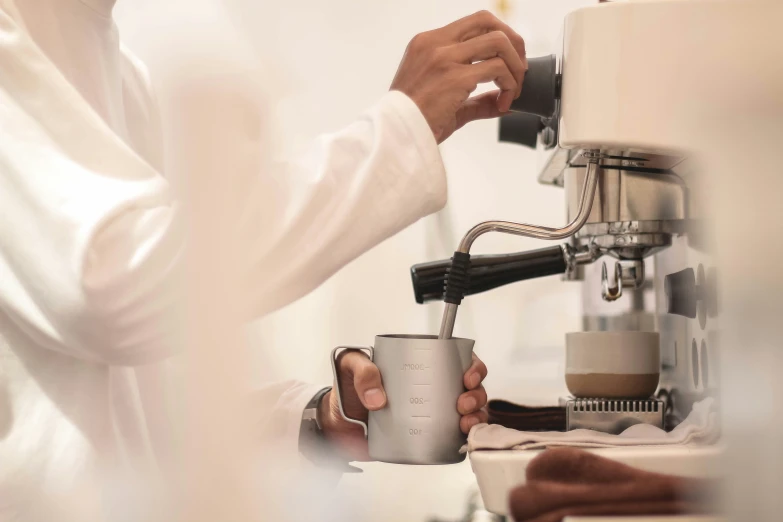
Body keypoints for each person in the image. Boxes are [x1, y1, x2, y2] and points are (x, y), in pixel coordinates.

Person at [0, 0, 527, 515]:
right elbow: (110, 289)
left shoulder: (119, 71)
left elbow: (153, 400)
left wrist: (317, 419)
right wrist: (399, 131)